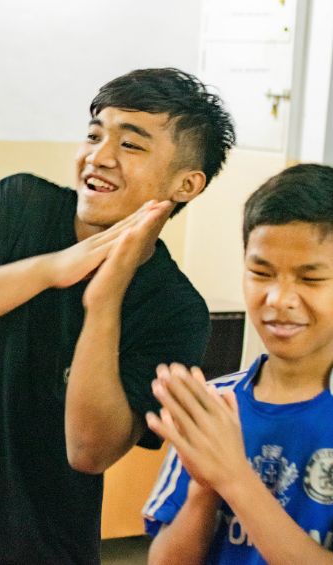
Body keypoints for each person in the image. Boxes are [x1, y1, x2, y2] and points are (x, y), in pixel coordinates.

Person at [0, 68, 236, 564]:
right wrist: (51, 269)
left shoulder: (175, 310)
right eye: (95, 134)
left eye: (131, 145)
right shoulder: (21, 204)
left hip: (40, 549)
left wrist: (103, 302)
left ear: (187, 183)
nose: (99, 157)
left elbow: (90, 450)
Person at [144, 163, 333, 564]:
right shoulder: (217, 405)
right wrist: (203, 488)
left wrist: (233, 477)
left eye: (310, 278)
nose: (279, 299)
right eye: (261, 273)